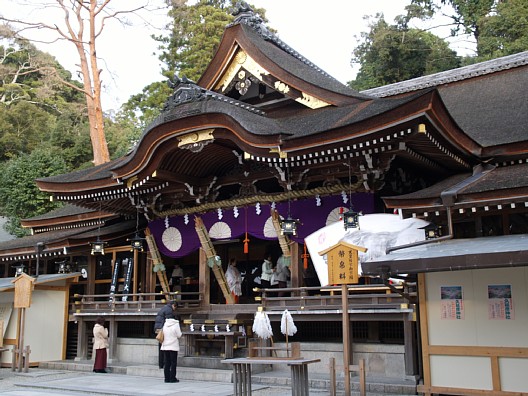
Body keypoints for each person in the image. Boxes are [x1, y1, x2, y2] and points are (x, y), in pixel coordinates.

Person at [154, 300, 177, 369]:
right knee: (165, 348)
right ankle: (165, 363)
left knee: (161, 347)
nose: (175, 309)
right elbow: (170, 322)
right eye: (175, 307)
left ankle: (161, 364)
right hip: (164, 330)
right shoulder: (169, 311)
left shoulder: (163, 308)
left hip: (158, 329)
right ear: (173, 305)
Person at [161, 314, 182, 383]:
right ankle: (172, 378)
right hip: (173, 346)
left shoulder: (165, 324)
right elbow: (179, 335)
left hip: (165, 346)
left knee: (167, 363)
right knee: (173, 363)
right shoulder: (176, 324)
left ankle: (166, 378)